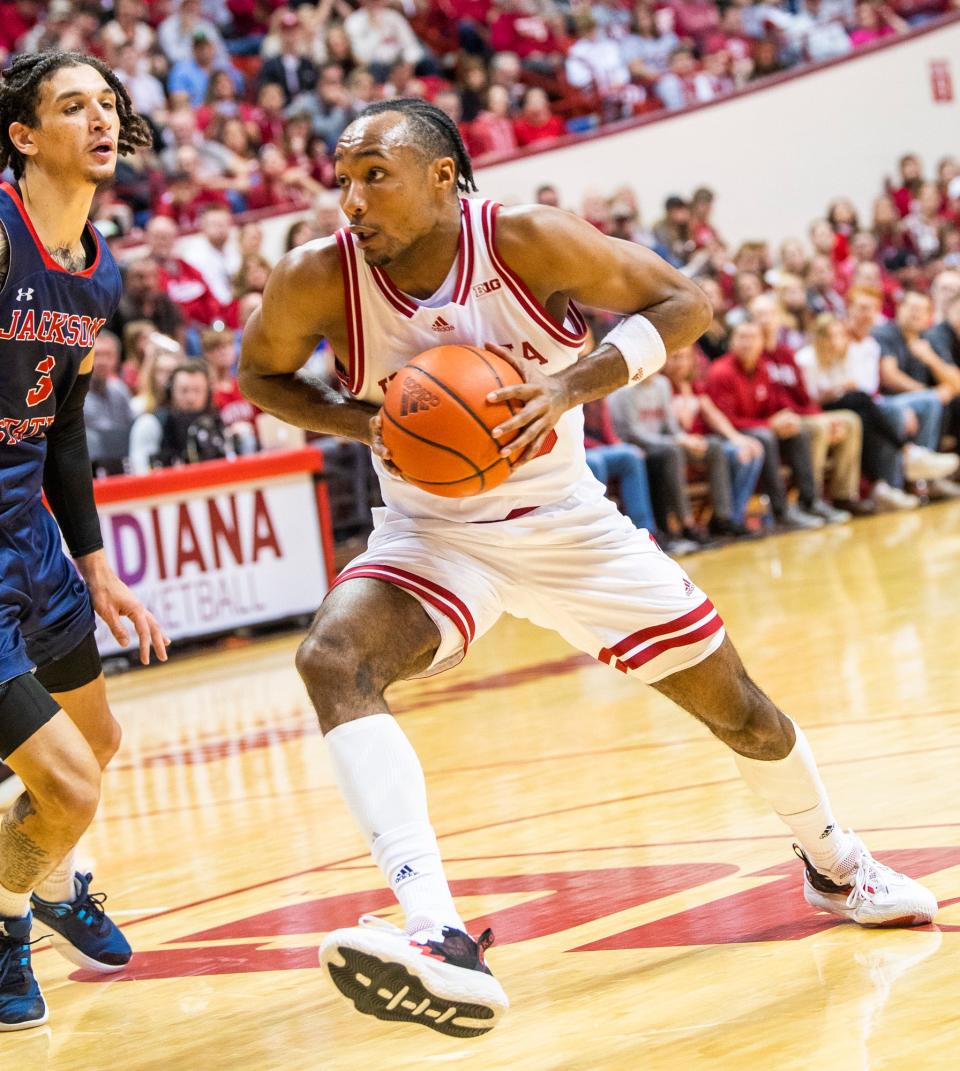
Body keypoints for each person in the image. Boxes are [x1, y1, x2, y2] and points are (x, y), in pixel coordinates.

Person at [238, 99, 937, 1038]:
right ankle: (437, 930)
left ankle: (833, 859)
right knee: (333, 658)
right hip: (431, 530)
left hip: (568, 523)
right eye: (344, 178)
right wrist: (368, 423)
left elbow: (687, 303)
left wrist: (572, 383)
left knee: (743, 711)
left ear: (444, 177)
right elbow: (260, 376)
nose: (353, 198)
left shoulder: (526, 239)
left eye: (376, 175)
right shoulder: (317, 277)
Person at [0, 51, 168, 1032]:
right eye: (72, 106)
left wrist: (97, 567)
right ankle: (6, 918)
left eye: (107, 104)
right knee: (61, 782)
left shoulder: (95, 269)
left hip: (31, 542)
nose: (99, 119)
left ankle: (49, 878)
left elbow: (61, 427)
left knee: (96, 747)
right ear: (22, 135)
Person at [128, 360, 226, 472]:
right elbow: (141, 472)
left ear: (208, 394)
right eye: (184, 391)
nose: (191, 398)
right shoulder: (150, 423)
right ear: (170, 392)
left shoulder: (215, 421)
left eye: (197, 391)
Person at [83, 329, 134, 475]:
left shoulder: (120, 389)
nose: (102, 362)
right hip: (90, 467)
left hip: (121, 463)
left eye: (108, 355)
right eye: (97, 355)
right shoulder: (72, 395)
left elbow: (131, 426)